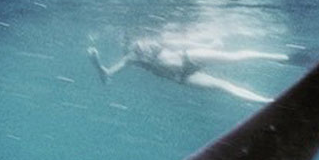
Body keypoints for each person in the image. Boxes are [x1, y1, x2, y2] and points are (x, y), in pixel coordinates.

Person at [88, 37, 290, 103]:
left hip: (189, 56)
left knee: (235, 57)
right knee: (223, 86)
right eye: (131, 46)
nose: (135, 46)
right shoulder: (130, 60)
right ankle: (268, 102)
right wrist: (96, 62)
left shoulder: (150, 42)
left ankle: (282, 58)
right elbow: (107, 76)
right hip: (182, 76)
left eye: (133, 43)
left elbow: (179, 41)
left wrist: (208, 44)